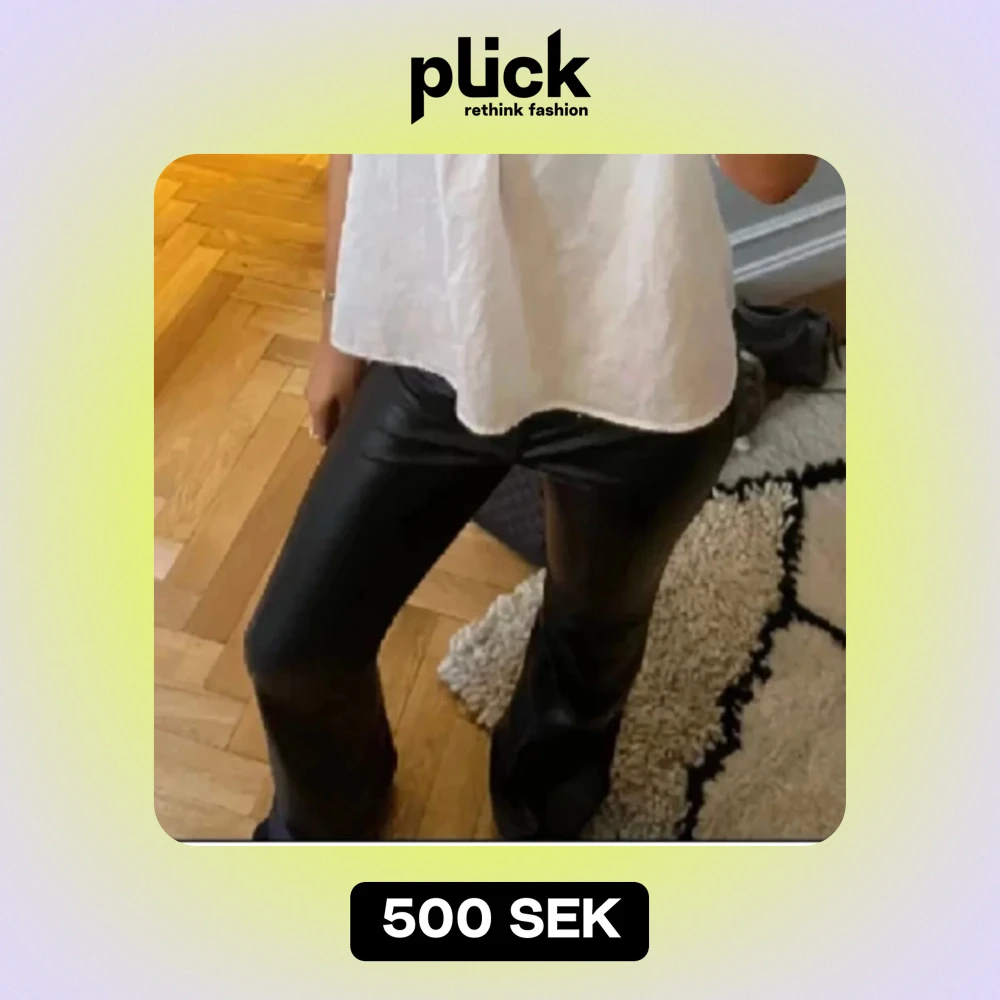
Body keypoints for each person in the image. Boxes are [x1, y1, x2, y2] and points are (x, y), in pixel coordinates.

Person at [245, 153, 818, 841]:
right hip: (437, 344)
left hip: (639, 370)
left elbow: (775, 175)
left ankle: (541, 816)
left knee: (587, 650)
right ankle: (324, 834)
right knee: (293, 650)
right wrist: (338, 322)